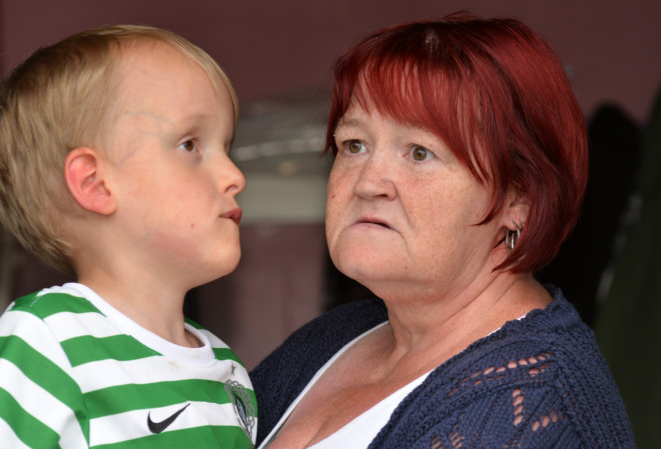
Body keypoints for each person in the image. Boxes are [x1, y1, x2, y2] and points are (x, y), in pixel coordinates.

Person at [251, 13, 635, 449]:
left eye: (419, 153)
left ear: (518, 200)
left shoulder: (532, 407)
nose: (368, 182)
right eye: (354, 144)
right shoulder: (335, 337)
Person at [0, 25, 256, 448]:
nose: (235, 176)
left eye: (227, 146)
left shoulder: (229, 373)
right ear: (95, 184)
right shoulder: (49, 337)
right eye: (190, 145)